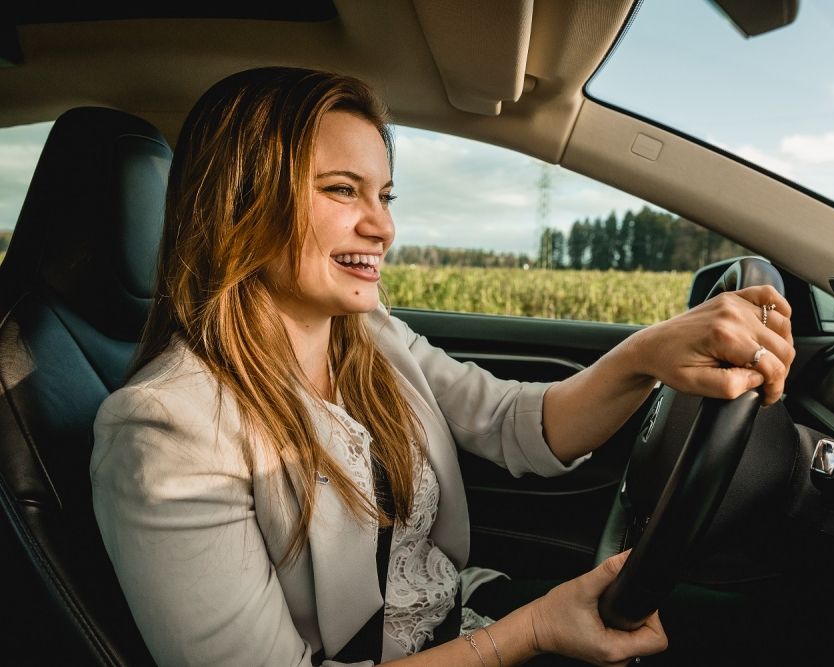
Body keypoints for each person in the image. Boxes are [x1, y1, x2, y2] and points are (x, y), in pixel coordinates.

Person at [90, 66, 794, 667]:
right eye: (342, 190)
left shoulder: (369, 334)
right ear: (240, 202)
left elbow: (515, 423)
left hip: (469, 612)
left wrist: (648, 354)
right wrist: (535, 629)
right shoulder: (164, 431)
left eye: (384, 195)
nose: (383, 227)